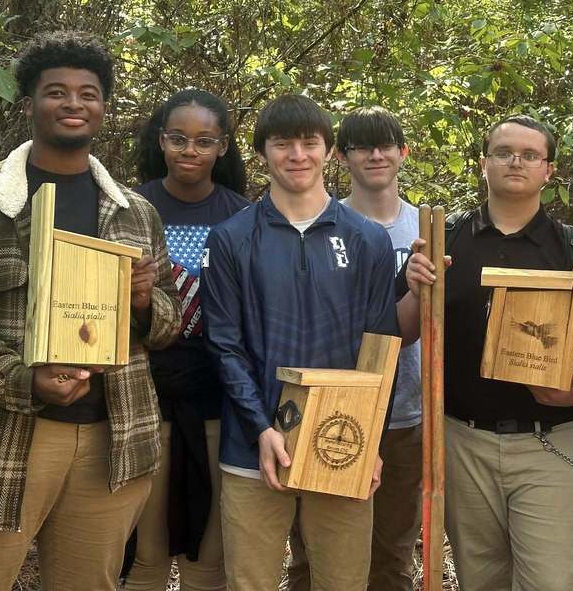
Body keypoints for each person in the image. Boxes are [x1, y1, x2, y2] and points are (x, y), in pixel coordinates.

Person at [0, 31, 182, 591]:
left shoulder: (134, 211)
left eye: (88, 93)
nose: (73, 104)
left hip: (111, 438)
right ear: (30, 103)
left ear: (104, 107)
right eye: (55, 92)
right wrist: (20, 378)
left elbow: (166, 322)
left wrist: (141, 303)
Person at [396, 115, 573, 591]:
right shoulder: (443, 241)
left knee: (551, 582)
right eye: (503, 152)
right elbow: (403, 333)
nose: (515, 162)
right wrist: (417, 289)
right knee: (481, 581)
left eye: (529, 154)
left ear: (549, 171)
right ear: (484, 164)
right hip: (462, 443)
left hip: (553, 442)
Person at [201, 94, 399, 591]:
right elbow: (224, 344)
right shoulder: (230, 238)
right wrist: (259, 429)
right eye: (282, 143)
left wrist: (369, 438)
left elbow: (381, 346)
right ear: (262, 153)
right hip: (253, 450)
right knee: (251, 582)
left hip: (342, 443)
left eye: (310, 142)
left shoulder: (366, 239)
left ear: (329, 151)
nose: (297, 155)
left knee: (343, 582)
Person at [286, 106, 422, 591]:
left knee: (393, 553)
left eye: (386, 144)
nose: (376, 155)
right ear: (341, 157)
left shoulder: (426, 228)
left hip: (406, 414)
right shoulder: (322, 227)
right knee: (313, 552)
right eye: (362, 146)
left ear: (403, 152)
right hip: (333, 410)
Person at [125, 89, 250, 591]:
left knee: (209, 554)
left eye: (204, 140)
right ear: (161, 141)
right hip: (143, 397)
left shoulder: (244, 215)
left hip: (218, 400)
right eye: (178, 138)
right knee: (145, 554)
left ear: (222, 147)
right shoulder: (130, 207)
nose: (189, 150)